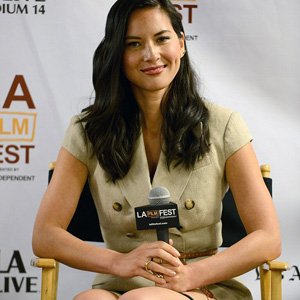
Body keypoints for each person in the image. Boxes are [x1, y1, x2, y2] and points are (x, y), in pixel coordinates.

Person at [32, 0, 281, 299]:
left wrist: (192, 275)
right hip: (120, 283)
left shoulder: (224, 125)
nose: (151, 55)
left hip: (203, 283)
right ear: (118, 55)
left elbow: (268, 238)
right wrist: (119, 262)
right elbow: (45, 235)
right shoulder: (87, 130)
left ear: (181, 44)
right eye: (134, 44)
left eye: (162, 39)